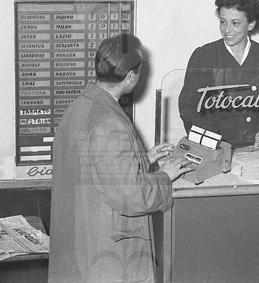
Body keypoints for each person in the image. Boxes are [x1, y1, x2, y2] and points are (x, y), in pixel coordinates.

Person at [49, 34, 193, 283]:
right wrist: (165, 176)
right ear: (131, 76)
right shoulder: (109, 122)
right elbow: (131, 196)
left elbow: (96, 167)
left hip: (80, 237)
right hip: (105, 252)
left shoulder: (80, 107)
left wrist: (144, 158)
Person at [179, 0, 259, 150]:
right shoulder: (203, 56)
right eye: (223, 22)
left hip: (255, 149)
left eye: (235, 23)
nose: (227, 30)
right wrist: (213, 143)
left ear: (251, 24)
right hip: (214, 149)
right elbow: (190, 108)